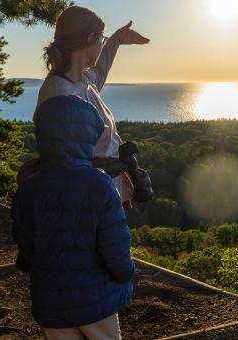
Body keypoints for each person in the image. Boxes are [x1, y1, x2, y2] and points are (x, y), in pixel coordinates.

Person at [12, 94, 135, 339]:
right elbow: (115, 246)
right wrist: (126, 273)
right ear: (87, 137)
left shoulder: (29, 189)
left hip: (51, 301)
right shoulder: (99, 185)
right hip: (97, 301)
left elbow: (26, 244)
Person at [35, 6, 150, 209]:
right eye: (101, 39)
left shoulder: (84, 80)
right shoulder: (60, 93)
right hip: (87, 202)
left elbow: (102, 67)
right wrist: (108, 167)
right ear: (89, 39)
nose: (102, 44)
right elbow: (64, 164)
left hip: (104, 190)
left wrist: (116, 39)